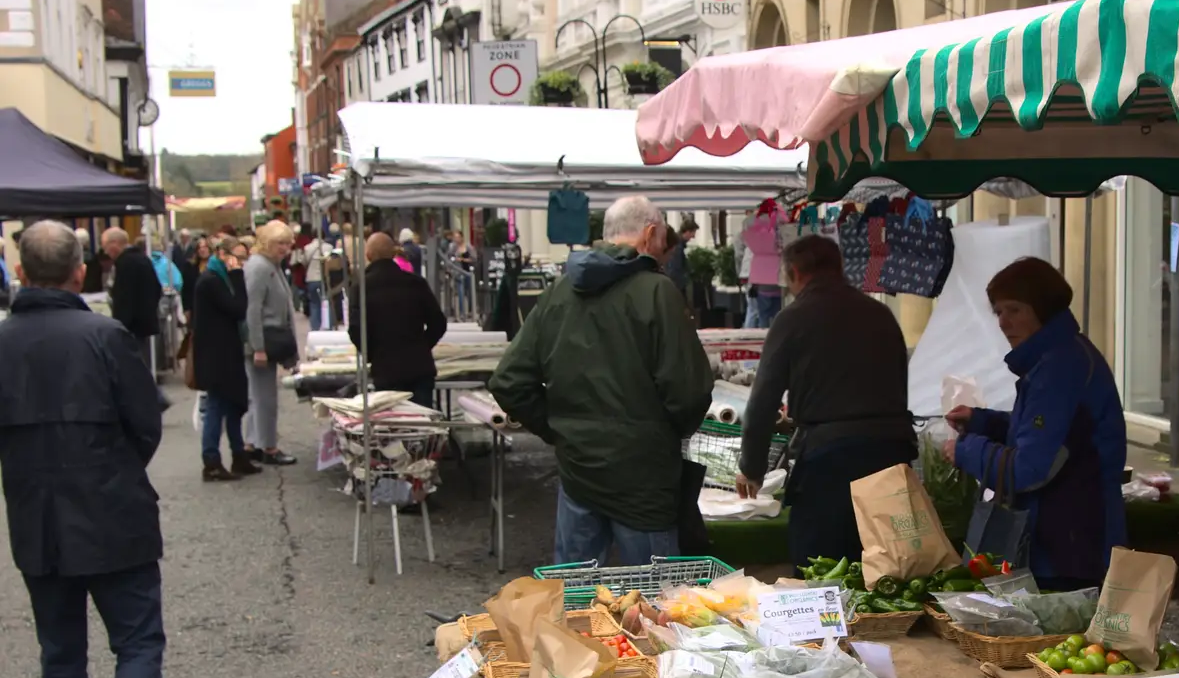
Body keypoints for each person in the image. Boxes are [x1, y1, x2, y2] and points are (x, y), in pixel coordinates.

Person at [0, 220, 174, 678]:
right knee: (137, 639)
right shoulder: (106, 335)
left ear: (22, 272)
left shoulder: (6, 341)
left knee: (60, 649)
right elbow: (144, 423)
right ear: (81, 271)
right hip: (111, 506)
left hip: (36, 514)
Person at [490, 196, 713, 563]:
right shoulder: (658, 292)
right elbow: (690, 392)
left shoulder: (558, 293)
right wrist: (663, 434)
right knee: (654, 607)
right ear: (651, 234)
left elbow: (509, 381)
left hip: (580, 472)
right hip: (645, 477)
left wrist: (560, 430)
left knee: (576, 606)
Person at [945, 256, 1128, 589]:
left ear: (1043, 309)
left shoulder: (1060, 368)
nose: (1003, 322)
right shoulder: (1053, 359)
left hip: (1070, 543)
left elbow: (1030, 468)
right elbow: (1045, 433)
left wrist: (966, 450)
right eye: (998, 312)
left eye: (1015, 310)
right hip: (1064, 536)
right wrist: (982, 422)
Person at [735, 236, 915, 569]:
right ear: (839, 268)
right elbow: (899, 387)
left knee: (820, 568)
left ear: (793, 273)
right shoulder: (881, 315)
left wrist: (752, 468)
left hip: (828, 460)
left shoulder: (793, 318)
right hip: (891, 455)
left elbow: (761, 405)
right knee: (887, 565)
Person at [349, 232, 448, 408]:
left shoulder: (362, 287)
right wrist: (423, 345)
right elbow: (438, 322)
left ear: (368, 255)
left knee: (392, 425)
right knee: (423, 423)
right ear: (394, 253)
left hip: (385, 368)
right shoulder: (415, 283)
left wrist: (372, 353)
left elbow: (356, 329)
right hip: (419, 366)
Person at [191, 235, 261, 482]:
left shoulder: (216, 278)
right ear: (223, 255)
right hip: (216, 355)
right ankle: (211, 461)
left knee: (232, 405)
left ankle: (239, 454)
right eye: (239, 258)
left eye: (245, 258)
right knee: (216, 407)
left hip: (226, 351)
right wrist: (236, 276)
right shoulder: (212, 280)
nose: (242, 263)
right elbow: (238, 307)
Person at [242, 219, 298, 465]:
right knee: (265, 397)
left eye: (287, 243)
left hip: (267, 337)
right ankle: (268, 447)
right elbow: (252, 310)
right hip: (263, 339)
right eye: (280, 243)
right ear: (267, 242)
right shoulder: (261, 267)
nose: (285, 248)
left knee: (259, 395)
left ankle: (253, 442)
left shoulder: (269, 264)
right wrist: (258, 348)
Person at [102, 227, 162, 344]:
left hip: (131, 329)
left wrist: (120, 325)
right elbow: (157, 288)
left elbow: (124, 298)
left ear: (115, 244)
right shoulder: (142, 258)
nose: (105, 252)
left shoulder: (126, 263)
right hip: (143, 325)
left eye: (105, 247)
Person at [178, 236, 210, 320]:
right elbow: (186, 289)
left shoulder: (215, 267)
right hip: (195, 307)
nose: (202, 250)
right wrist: (186, 309)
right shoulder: (190, 266)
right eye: (199, 248)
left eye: (205, 247)